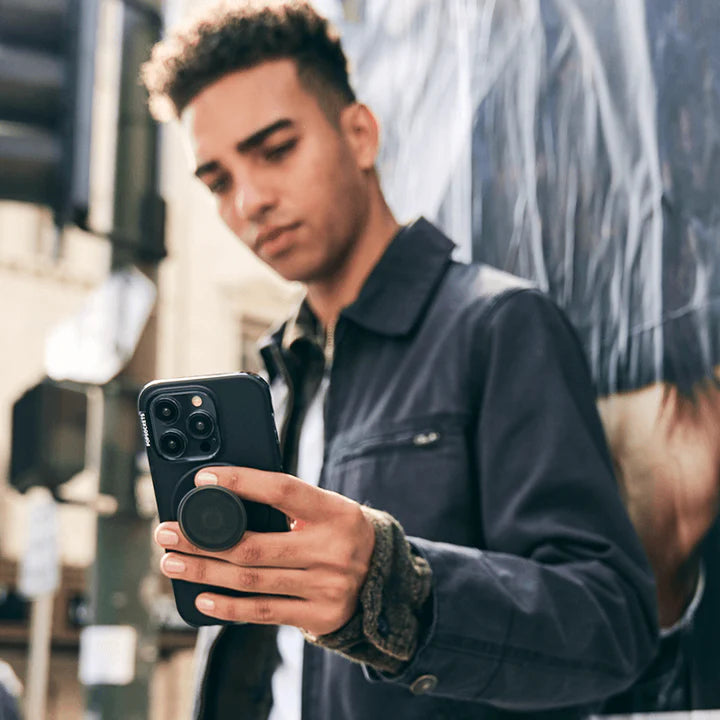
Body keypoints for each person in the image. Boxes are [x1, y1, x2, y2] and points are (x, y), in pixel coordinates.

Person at [141, 2, 658, 718]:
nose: (250, 201)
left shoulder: (498, 324)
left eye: (275, 149)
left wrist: (393, 586)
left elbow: (612, 627)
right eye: (219, 181)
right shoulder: (278, 386)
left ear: (359, 133)